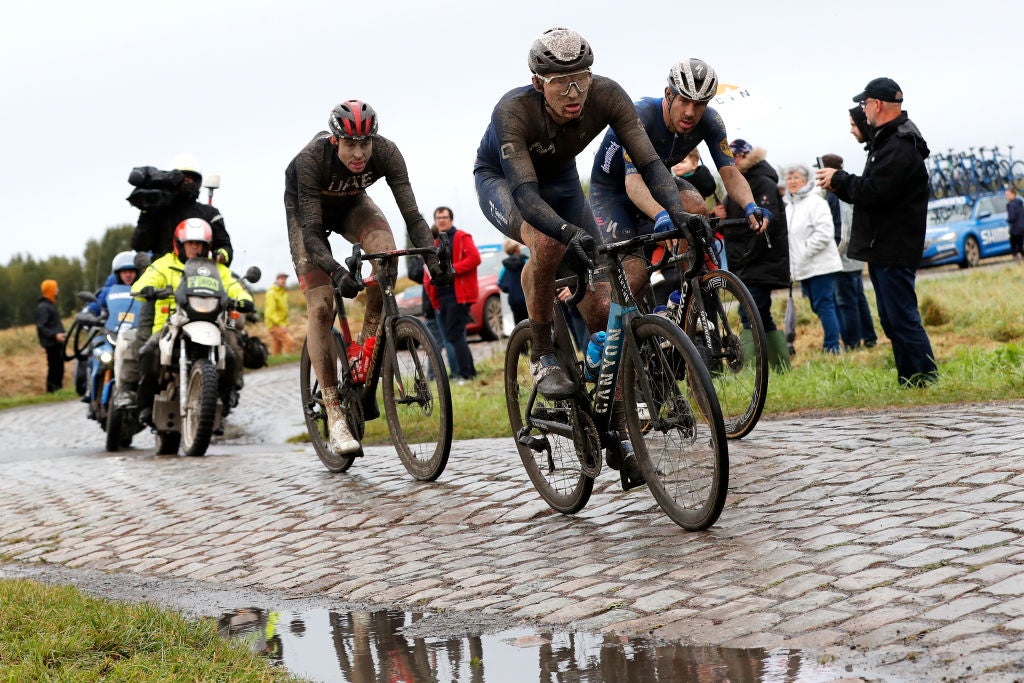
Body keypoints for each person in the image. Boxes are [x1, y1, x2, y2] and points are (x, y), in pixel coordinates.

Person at [473, 28, 714, 484]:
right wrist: (566, 233)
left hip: (562, 184)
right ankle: (542, 353)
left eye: (581, 78)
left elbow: (649, 163)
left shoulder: (607, 96)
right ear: (536, 80)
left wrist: (678, 213)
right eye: (560, 81)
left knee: (605, 310)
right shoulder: (513, 110)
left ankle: (615, 429)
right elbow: (525, 193)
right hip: (505, 184)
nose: (573, 92)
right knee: (547, 243)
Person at [285, 100, 448, 454]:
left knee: (386, 258)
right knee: (321, 308)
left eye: (365, 143)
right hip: (306, 217)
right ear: (335, 141)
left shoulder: (387, 152)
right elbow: (312, 234)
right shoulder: (312, 160)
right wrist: (336, 271)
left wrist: (433, 261)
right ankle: (334, 413)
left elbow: (413, 216)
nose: (359, 153)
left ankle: (366, 351)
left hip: (352, 206)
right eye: (350, 145)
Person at [589, 58, 768, 297]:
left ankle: (689, 296)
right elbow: (633, 183)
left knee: (695, 208)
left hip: (657, 182)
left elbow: (730, 173)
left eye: (699, 104)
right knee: (635, 275)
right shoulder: (641, 116)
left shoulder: (710, 122)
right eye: (684, 101)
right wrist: (661, 214)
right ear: (669, 94)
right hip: (614, 193)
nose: (690, 112)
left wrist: (750, 205)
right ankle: (617, 329)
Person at [817, 77, 938, 387]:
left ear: (877, 105)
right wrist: (840, 182)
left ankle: (926, 379)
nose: (863, 110)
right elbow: (872, 191)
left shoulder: (899, 143)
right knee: (891, 318)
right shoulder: (888, 139)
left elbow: (875, 191)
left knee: (902, 316)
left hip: (895, 243)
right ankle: (910, 379)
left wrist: (839, 179)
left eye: (864, 104)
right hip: (885, 243)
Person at [125, 218, 254, 425]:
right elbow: (144, 282)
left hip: (210, 322)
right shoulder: (164, 264)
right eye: (191, 243)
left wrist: (244, 299)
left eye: (200, 244)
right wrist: (147, 289)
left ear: (207, 246)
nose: (195, 248)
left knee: (231, 353)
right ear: (179, 244)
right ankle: (145, 403)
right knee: (148, 351)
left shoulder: (216, 268)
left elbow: (233, 285)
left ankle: (226, 396)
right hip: (171, 323)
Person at [715, 139, 792, 368]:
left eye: (733, 156)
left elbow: (769, 219)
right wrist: (719, 217)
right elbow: (735, 223)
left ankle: (752, 368)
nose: (730, 161)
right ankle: (780, 366)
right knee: (761, 314)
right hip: (747, 262)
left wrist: (748, 253)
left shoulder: (761, 182)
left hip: (759, 260)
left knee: (750, 313)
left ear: (742, 156)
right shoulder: (738, 185)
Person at [783, 164, 843, 354]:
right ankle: (835, 341)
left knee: (824, 305)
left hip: (820, 265)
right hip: (803, 267)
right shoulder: (790, 206)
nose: (792, 182)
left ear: (805, 181)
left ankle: (832, 347)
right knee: (819, 307)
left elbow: (825, 233)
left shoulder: (815, 202)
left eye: (796, 178)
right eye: (789, 178)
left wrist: (806, 252)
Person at [131, 155, 233, 265]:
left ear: (197, 182)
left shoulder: (209, 213)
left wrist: (222, 255)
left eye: (190, 178)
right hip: (162, 275)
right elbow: (140, 246)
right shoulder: (157, 211)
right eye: (181, 178)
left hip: (199, 274)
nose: (186, 180)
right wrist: (146, 213)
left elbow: (224, 245)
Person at [820, 153, 877, 349]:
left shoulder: (837, 193)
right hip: (853, 255)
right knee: (858, 298)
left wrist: (834, 256)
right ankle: (869, 338)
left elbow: (843, 230)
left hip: (844, 258)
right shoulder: (847, 187)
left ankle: (853, 343)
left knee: (846, 302)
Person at [423, 206, 480, 382]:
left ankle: (466, 374)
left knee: (455, 335)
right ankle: (468, 372)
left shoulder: (462, 236)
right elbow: (427, 274)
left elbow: (475, 258)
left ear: (451, 219)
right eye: (438, 217)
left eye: (444, 217)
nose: (441, 220)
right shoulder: (433, 243)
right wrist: (434, 299)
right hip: (442, 296)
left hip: (459, 294)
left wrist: (452, 269)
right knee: (453, 335)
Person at [36, 279, 66, 393]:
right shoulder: (43, 307)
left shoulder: (50, 304)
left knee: (59, 368)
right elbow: (41, 326)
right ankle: (52, 391)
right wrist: (55, 336)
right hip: (52, 343)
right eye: (55, 287)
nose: (58, 289)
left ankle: (58, 391)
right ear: (50, 290)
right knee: (54, 368)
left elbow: (53, 324)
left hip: (57, 342)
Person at [498, 238, 528, 325]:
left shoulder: (505, 267)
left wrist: (511, 289)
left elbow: (501, 283)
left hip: (514, 301)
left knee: (520, 325)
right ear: (516, 248)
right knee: (534, 324)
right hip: (529, 299)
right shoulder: (526, 261)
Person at [264, 273, 295, 355]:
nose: (284, 280)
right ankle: (286, 362)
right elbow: (271, 313)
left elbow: (283, 312)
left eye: (285, 279)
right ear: (277, 280)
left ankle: (275, 363)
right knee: (289, 341)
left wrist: (285, 324)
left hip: (280, 324)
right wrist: (281, 324)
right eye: (281, 278)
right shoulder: (271, 293)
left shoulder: (283, 294)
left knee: (276, 348)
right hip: (274, 324)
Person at [1006, 186, 1024, 263]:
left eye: (1007, 195)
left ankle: (1016, 260)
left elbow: (1012, 217)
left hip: (1015, 228)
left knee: (1013, 244)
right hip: (1022, 227)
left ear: (1013, 194)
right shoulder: (1020, 203)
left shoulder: (1012, 205)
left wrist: (1007, 219)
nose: (1006, 197)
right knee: (1020, 244)